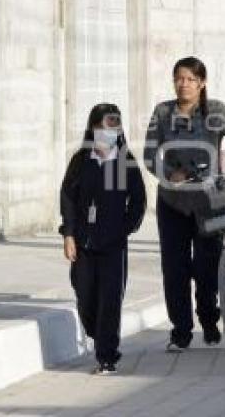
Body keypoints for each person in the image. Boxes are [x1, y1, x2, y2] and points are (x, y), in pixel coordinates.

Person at [144, 56, 225, 352]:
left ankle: (209, 319)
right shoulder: (162, 112)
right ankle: (180, 331)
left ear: (202, 83)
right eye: (179, 79)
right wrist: (169, 174)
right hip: (172, 201)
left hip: (210, 201)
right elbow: (148, 155)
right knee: (175, 268)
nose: (183, 85)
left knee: (206, 267)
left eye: (190, 79)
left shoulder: (216, 111)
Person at [59, 103, 146, 375]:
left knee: (110, 298)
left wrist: (125, 228)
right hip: (84, 242)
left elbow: (138, 200)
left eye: (112, 127)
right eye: (101, 127)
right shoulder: (82, 161)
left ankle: (107, 356)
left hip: (113, 244)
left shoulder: (123, 161)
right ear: (92, 129)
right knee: (85, 295)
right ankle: (98, 334)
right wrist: (69, 234)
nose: (106, 133)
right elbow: (68, 199)